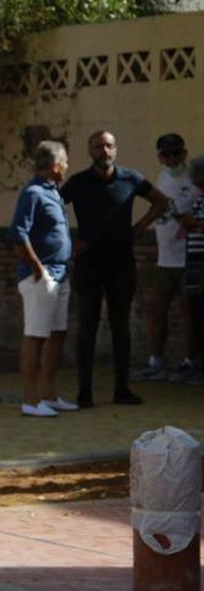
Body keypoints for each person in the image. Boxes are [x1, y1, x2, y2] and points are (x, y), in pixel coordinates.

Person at [60, 130, 169, 407]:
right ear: (90, 151)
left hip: (121, 264)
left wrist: (140, 227)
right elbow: (54, 205)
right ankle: (85, 392)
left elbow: (161, 201)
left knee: (121, 327)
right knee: (87, 327)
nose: (104, 151)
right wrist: (66, 240)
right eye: (98, 146)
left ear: (115, 149)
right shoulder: (79, 182)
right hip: (88, 264)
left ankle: (122, 389)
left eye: (108, 146)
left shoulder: (130, 178)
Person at [9, 141, 77, 417]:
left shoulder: (54, 193)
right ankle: (30, 399)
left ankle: (49, 394)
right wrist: (39, 270)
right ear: (55, 165)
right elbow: (18, 234)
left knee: (57, 334)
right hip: (42, 277)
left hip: (61, 273)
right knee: (35, 335)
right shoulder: (33, 193)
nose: (67, 167)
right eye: (65, 162)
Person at [134, 134, 198, 383]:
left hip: (189, 257)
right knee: (156, 308)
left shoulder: (194, 178)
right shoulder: (161, 178)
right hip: (165, 258)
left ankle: (191, 362)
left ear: (184, 152)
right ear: (160, 156)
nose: (171, 159)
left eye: (176, 153)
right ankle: (155, 362)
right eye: (166, 154)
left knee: (188, 311)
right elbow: (159, 207)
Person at [177, 155, 204, 384]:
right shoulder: (199, 199)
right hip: (195, 259)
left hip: (201, 259)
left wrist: (191, 222)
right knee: (196, 313)